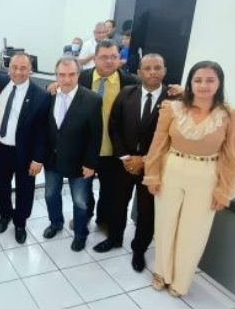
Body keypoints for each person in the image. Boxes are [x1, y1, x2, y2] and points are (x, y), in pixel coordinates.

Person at [143, 61, 235, 296]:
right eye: (198, 80)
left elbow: (232, 157)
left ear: (219, 83)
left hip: (206, 174)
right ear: (190, 83)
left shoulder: (231, 116)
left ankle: (181, 281)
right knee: (165, 224)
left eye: (210, 80)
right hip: (172, 169)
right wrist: (152, 174)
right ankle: (161, 272)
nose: (203, 85)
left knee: (194, 231)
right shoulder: (173, 108)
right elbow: (158, 144)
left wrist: (224, 190)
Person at [93, 54, 169, 271]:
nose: (152, 72)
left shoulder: (174, 101)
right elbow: (113, 126)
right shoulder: (127, 93)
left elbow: (172, 139)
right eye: (147, 68)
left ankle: (139, 249)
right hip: (124, 163)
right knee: (117, 203)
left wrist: (144, 160)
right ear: (139, 73)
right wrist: (125, 157)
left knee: (147, 211)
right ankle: (114, 238)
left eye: (157, 68)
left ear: (164, 71)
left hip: (153, 166)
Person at [43, 58, 102, 251]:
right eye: (61, 75)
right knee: (50, 195)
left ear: (78, 74)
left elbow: (96, 135)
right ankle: (56, 223)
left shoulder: (92, 100)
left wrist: (91, 164)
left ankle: (80, 234)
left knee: (80, 201)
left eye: (71, 74)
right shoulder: (49, 95)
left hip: (80, 162)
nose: (66, 80)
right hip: (52, 159)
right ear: (55, 75)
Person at [80, 39, 138, 229]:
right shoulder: (82, 78)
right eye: (104, 57)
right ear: (95, 58)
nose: (109, 61)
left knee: (109, 189)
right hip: (85, 148)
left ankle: (103, 219)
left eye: (113, 56)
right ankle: (86, 213)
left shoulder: (131, 82)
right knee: (83, 187)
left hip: (113, 149)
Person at [0, 53, 50, 244]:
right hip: (0, 148)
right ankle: (4, 215)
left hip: (25, 152)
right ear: (8, 68)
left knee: (25, 190)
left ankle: (20, 223)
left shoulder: (41, 95)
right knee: (2, 186)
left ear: (30, 70)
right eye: (14, 67)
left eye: (23, 68)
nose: (18, 72)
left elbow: (42, 131)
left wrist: (38, 159)